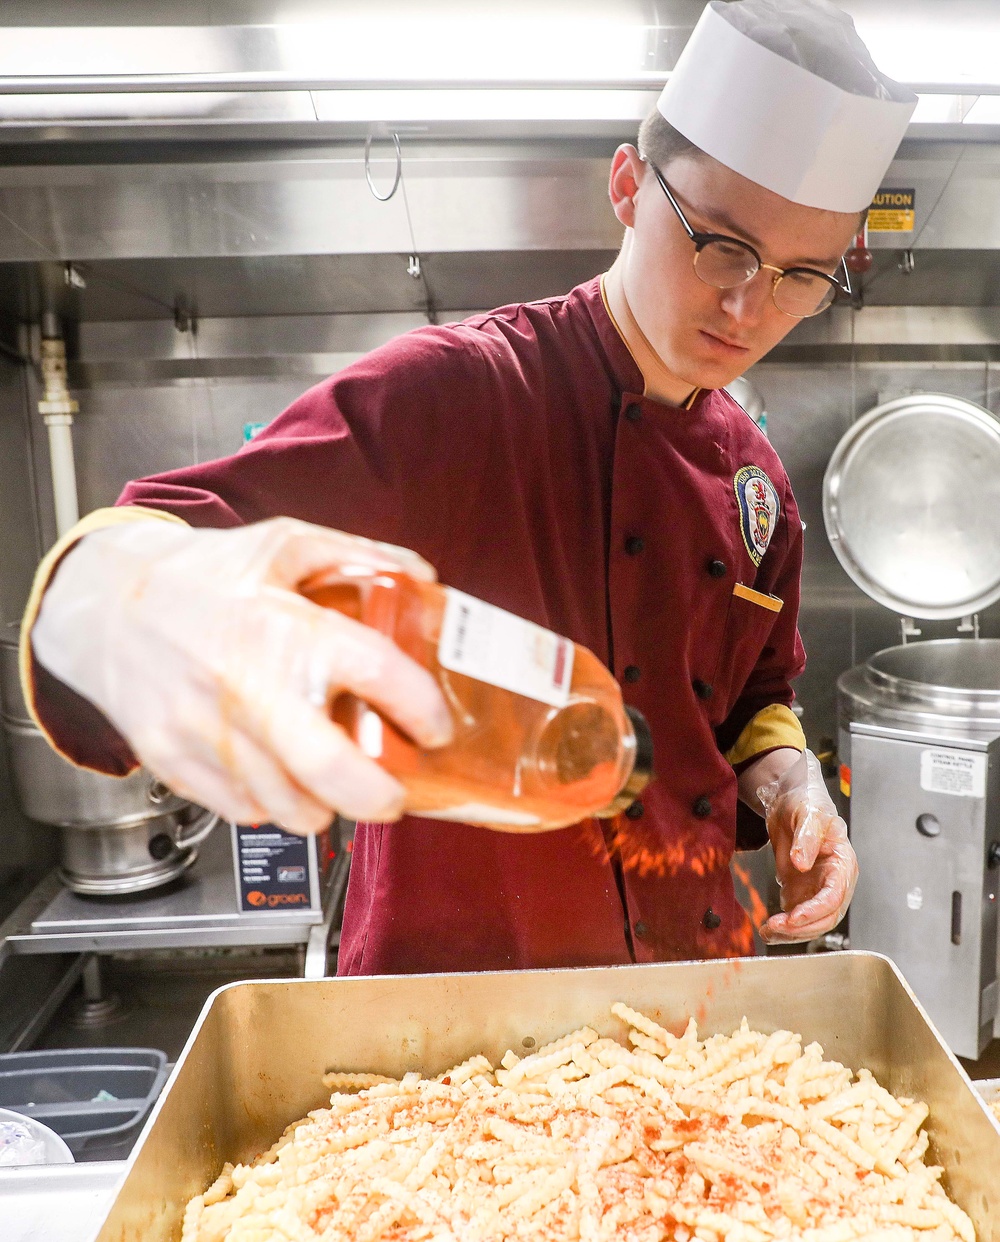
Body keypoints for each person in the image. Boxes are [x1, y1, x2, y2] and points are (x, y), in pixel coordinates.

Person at [21, 0, 915, 975]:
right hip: (447, 1034)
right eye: (723, 245)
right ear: (627, 185)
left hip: (681, 1016)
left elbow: (753, 699)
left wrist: (791, 788)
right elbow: (158, 548)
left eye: (801, 274)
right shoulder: (455, 394)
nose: (750, 304)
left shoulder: (755, 482)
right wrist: (119, 602)